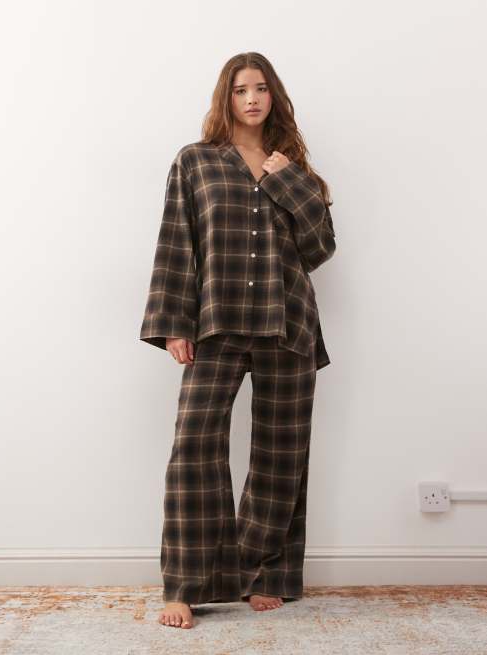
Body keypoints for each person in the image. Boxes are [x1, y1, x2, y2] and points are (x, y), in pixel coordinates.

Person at [139, 52, 337, 629]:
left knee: (281, 454)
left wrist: (288, 181)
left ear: (275, 97)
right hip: (217, 321)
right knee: (194, 446)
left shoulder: (295, 169)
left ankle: (265, 574)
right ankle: (186, 583)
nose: (252, 98)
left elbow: (319, 249)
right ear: (225, 97)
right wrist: (175, 322)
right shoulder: (196, 161)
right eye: (241, 89)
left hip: (287, 322)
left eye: (262, 88)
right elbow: (177, 240)